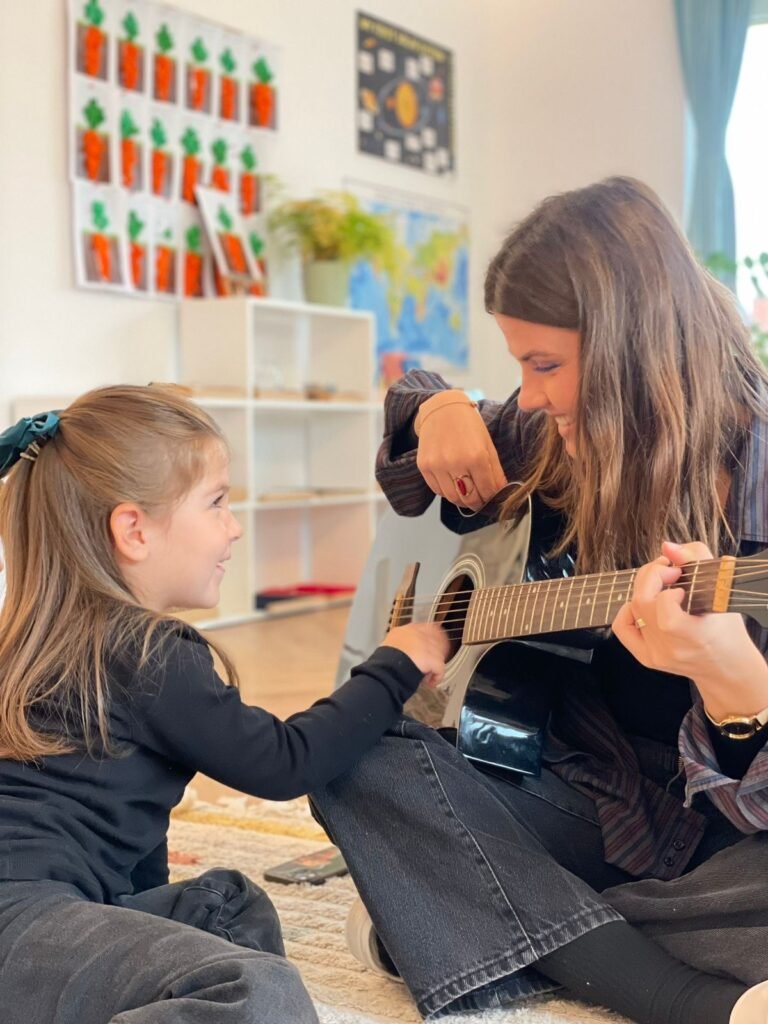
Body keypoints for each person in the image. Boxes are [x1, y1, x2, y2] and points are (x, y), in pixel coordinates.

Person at [310, 177, 768, 1024]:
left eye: (545, 364)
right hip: (592, 796)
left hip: (728, 841)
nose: (525, 395)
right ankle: (672, 987)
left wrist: (737, 689)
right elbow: (413, 416)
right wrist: (437, 406)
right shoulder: (555, 438)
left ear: (635, 349)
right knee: (354, 751)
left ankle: (489, 920)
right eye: (519, 363)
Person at [0, 384, 449, 1024]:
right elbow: (284, 762)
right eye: (216, 502)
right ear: (133, 529)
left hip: (43, 916)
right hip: (23, 922)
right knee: (254, 988)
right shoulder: (145, 648)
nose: (234, 526)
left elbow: (120, 840)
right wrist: (393, 665)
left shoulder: (43, 637)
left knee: (228, 903)